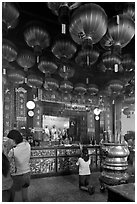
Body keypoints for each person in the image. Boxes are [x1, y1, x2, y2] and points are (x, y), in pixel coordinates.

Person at [7, 130, 31, 202]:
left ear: (13, 140)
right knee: (25, 197)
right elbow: (24, 141)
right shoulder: (28, 145)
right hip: (27, 174)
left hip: (18, 176)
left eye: (9, 140)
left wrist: (8, 148)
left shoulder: (13, 151)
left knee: (17, 199)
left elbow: (7, 161)